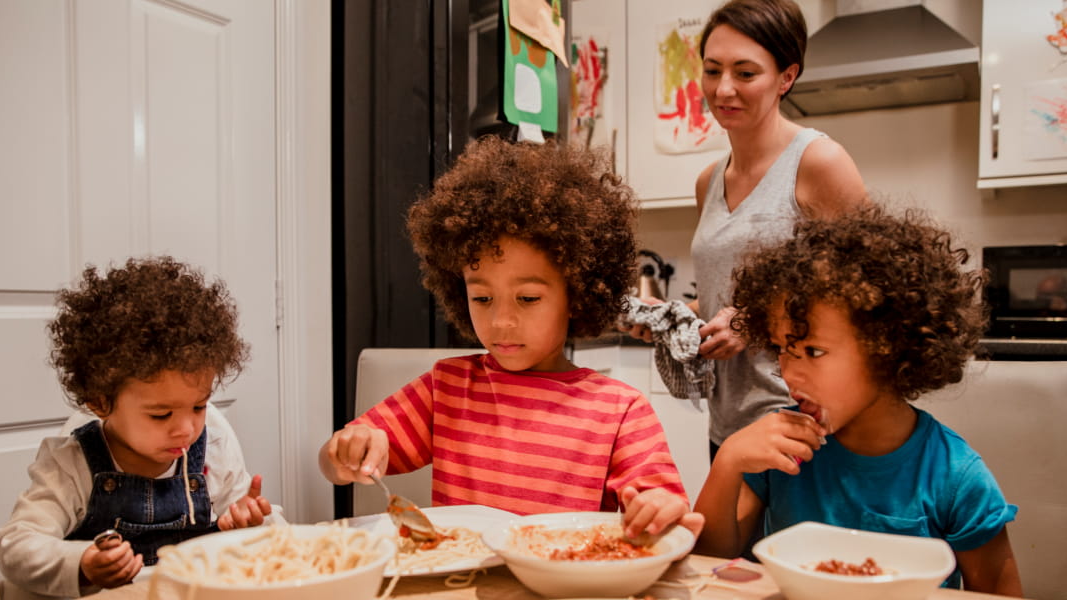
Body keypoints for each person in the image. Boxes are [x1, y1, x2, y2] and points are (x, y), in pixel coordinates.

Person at [319, 136, 703, 539]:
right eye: (482, 297)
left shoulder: (620, 410)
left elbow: (660, 503)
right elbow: (337, 464)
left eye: (528, 298)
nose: (501, 321)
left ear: (576, 294)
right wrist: (348, 451)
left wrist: (656, 511)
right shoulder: (446, 388)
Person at [694, 206, 1022, 596]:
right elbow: (709, 558)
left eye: (814, 351)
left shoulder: (954, 475)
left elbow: (1000, 594)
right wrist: (728, 461)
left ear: (890, 349)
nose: (789, 373)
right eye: (783, 348)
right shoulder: (782, 447)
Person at [626, 0, 868, 460]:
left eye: (745, 72)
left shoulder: (818, 162)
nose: (723, 89)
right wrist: (674, 317)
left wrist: (755, 320)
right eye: (713, 70)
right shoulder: (709, 181)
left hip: (805, 421)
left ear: (786, 77)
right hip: (731, 420)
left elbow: (869, 292)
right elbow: (723, 297)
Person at [0, 257, 274, 598]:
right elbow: (17, 546)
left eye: (199, 406)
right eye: (161, 415)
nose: (186, 429)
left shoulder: (213, 444)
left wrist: (249, 525)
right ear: (100, 402)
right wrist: (81, 563)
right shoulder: (70, 467)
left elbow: (259, 533)